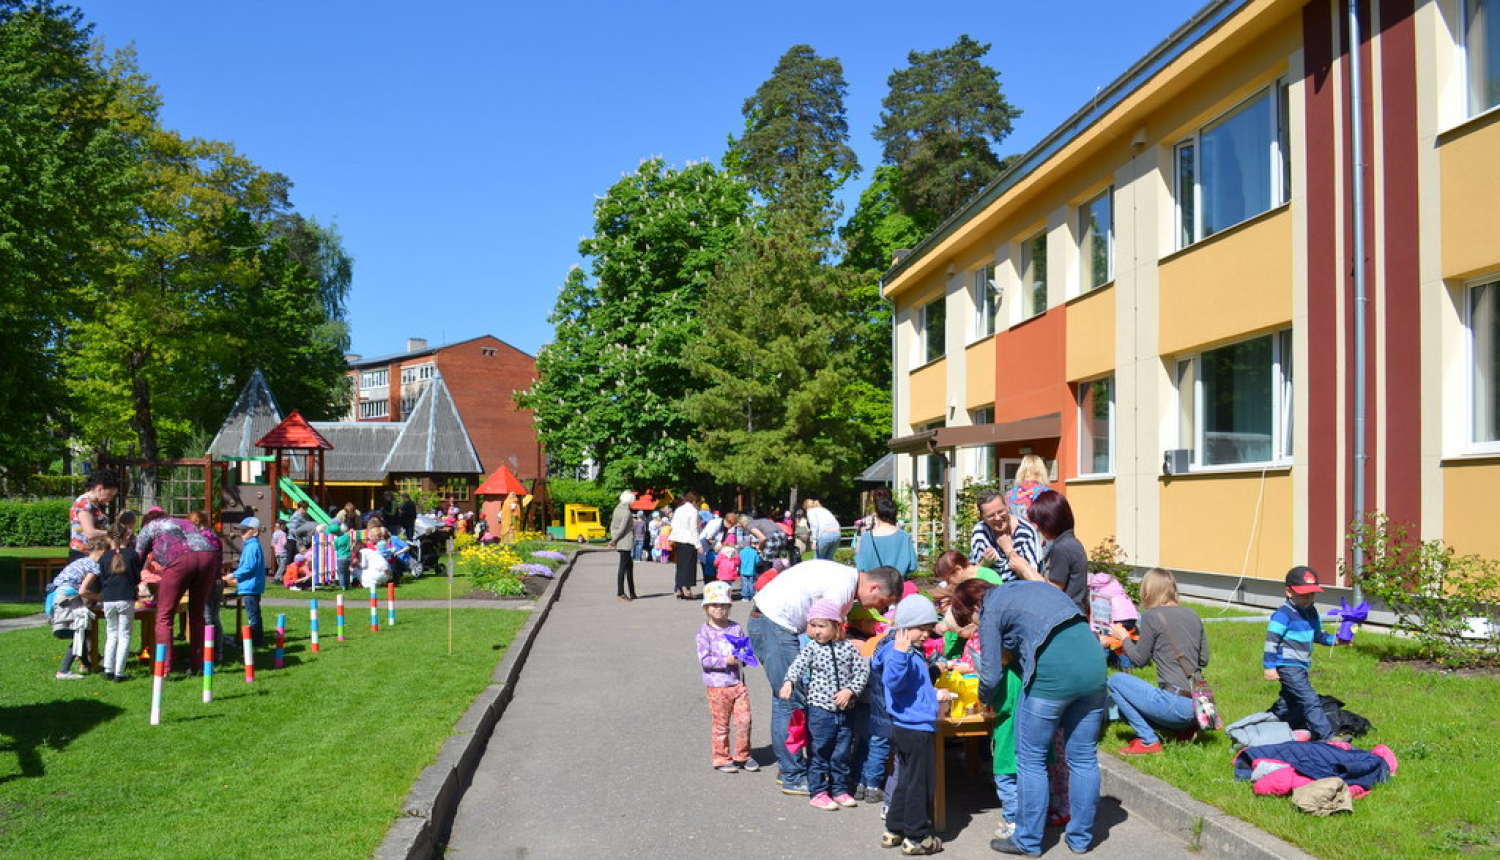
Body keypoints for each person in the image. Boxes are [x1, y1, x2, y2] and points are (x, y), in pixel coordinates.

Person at [746, 560, 902, 798]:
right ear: (874, 588)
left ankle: (791, 767)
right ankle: (792, 775)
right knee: (788, 702)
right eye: (882, 603)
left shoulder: (846, 581)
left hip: (769, 621)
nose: (879, 609)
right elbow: (820, 636)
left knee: (789, 699)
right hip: (774, 624)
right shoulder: (842, 589)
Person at [979, 580, 1107, 857]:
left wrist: (985, 701)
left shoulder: (989, 608)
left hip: (1052, 674)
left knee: (1031, 759)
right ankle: (1081, 839)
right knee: (1084, 758)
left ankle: (1028, 840)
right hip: (1094, 663)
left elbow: (990, 675)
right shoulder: (1037, 589)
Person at [872, 593, 956, 855]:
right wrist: (899, 653)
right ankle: (918, 836)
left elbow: (914, 683)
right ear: (905, 626)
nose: (925, 634)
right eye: (922, 628)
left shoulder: (910, 652)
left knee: (908, 779)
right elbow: (894, 681)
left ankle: (895, 828)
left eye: (929, 629)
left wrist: (938, 674)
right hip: (915, 726)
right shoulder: (899, 651)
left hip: (908, 724)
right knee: (921, 783)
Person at [779, 598, 868, 811]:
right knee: (820, 751)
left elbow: (862, 672)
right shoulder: (812, 649)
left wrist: (851, 690)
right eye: (813, 625)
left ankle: (839, 789)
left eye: (822, 626)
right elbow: (797, 666)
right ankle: (818, 791)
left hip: (845, 710)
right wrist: (789, 681)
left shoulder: (848, 648)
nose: (817, 631)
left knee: (842, 752)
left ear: (837, 626)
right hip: (820, 711)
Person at [1106, 568, 1207, 754]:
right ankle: (1185, 729)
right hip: (1199, 706)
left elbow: (1139, 660)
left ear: (1148, 591)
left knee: (1115, 681)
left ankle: (1149, 740)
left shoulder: (1152, 617)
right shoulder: (1194, 615)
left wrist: (1123, 638)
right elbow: (1203, 659)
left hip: (1173, 704)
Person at [135, 512, 223, 673]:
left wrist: (133, 584)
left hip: (179, 560)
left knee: (164, 615)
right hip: (208, 557)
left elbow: (137, 557)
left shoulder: (150, 527)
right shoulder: (184, 522)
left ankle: (165, 667)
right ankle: (198, 664)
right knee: (197, 614)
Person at [1264, 565, 1341, 741]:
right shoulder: (1283, 615)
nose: (1308, 598)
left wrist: (1336, 640)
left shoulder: (1311, 612)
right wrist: (1269, 667)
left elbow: (1318, 635)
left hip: (1301, 665)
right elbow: (1271, 642)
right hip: (1287, 665)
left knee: (1288, 703)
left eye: (1311, 594)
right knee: (1309, 699)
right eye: (1303, 594)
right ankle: (1328, 736)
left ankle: (1271, 724)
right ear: (1289, 592)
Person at [696, 582, 756, 773]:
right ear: (706, 608)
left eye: (723, 605)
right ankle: (721, 758)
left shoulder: (735, 628)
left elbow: (744, 649)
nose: (719, 609)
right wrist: (726, 660)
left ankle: (742, 754)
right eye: (714, 605)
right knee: (721, 725)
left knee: (745, 720)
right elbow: (704, 660)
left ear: (729, 607)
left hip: (738, 683)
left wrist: (745, 657)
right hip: (717, 686)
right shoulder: (704, 633)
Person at [48, 536, 106, 678]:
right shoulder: (94, 566)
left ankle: (86, 664)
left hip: (55, 595)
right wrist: (100, 598)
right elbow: (83, 591)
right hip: (67, 597)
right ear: (101, 551)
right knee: (78, 633)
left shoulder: (81, 561)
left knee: (82, 630)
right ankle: (63, 670)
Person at [98, 514, 144, 682]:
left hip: (108, 599)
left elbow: (102, 579)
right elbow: (137, 578)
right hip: (126, 597)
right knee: (124, 634)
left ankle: (108, 668)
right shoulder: (132, 555)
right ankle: (119, 671)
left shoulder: (104, 557)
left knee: (111, 633)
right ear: (127, 536)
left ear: (108, 537)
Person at [1027, 491, 1089, 614]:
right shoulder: (1072, 542)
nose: (1038, 528)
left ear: (1050, 521)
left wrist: (1024, 569)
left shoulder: (1062, 548)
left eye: (1040, 523)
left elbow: (1052, 590)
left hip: (1066, 616)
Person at [969, 489, 1044, 583]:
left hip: (1021, 590)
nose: (997, 518)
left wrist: (1009, 551)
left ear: (1007, 507)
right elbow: (971, 575)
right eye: (991, 515)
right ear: (983, 517)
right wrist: (984, 563)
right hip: (990, 592)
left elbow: (1033, 577)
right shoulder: (980, 532)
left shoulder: (1025, 532)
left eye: (1000, 512)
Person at [852, 493, 917, 577]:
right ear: (895, 514)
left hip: (874, 585)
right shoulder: (904, 537)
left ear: (877, 514)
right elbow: (913, 566)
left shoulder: (866, 537)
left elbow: (860, 567)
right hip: (897, 586)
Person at [226, 517, 267, 648]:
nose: (241, 533)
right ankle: (258, 640)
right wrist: (237, 579)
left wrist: (232, 575)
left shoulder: (251, 547)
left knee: (252, 616)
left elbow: (248, 567)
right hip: (251, 585)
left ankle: (255, 642)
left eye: (245, 530)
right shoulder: (252, 546)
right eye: (241, 531)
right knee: (255, 614)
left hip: (250, 587)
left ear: (255, 532)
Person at [68, 469, 119, 560]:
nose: (110, 499)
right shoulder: (85, 503)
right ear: (100, 489)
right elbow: (90, 533)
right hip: (83, 555)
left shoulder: (93, 504)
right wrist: (112, 533)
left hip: (91, 554)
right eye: (109, 495)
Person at [607, 490, 638, 601]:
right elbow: (622, 528)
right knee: (623, 567)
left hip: (621, 542)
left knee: (629, 567)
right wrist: (613, 540)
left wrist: (614, 537)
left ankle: (632, 591)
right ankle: (620, 593)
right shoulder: (626, 513)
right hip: (625, 543)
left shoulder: (617, 509)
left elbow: (613, 526)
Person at [671, 492, 701, 600]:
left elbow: (673, 524)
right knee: (689, 567)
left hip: (678, 540)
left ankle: (678, 588)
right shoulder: (693, 511)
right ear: (694, 501)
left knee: (680, 566)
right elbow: (694, 528)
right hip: (689, 540)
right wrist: (698, 544)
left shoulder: (679, 509)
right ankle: (687, 590)